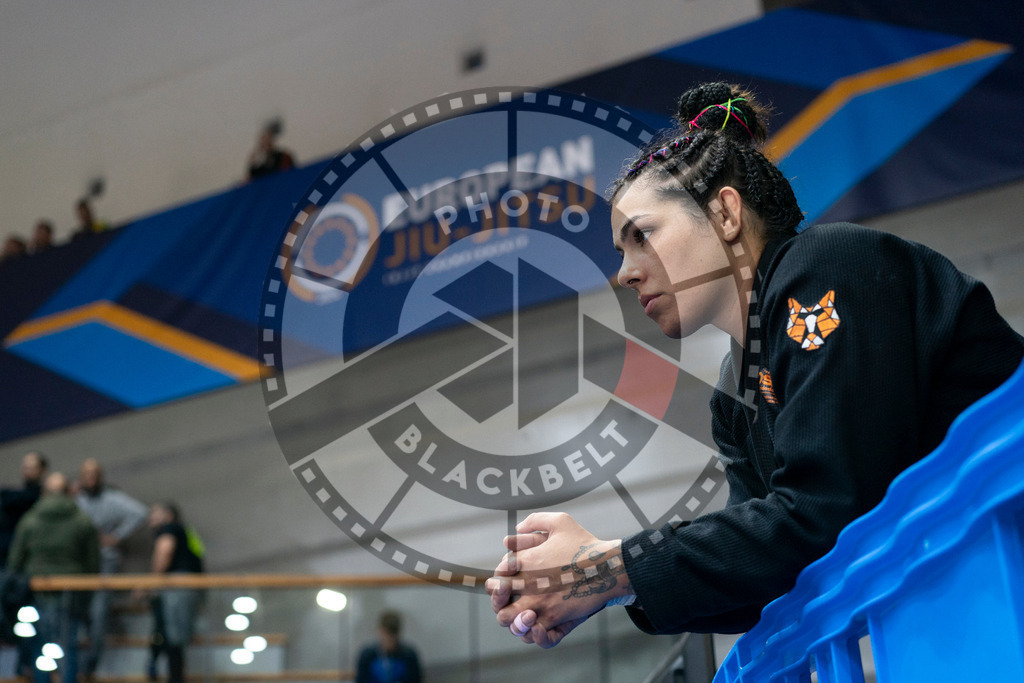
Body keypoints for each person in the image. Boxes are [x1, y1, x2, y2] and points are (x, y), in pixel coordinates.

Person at [487, 82, 1024, 648]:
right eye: (622, 253)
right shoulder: (733, 393)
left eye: (642, 236)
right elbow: (767, 567)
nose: (625, 272)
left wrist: (609, 565)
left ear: (724, 213)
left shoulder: (827, 265)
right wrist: (605, 584)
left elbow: (827, 513)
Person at [8, 472, 100, 683]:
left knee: (40, 645)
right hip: (72, 591)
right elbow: (92, 562)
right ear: (68, 492)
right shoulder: (82, 520)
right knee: (68, 645)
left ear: (44, 493)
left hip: (35, 590)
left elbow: (16, 560)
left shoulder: (30, 520)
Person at [74, 459, 149, 679]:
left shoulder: (111, 499)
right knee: (78, 616)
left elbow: (140, 513)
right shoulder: (76, 502)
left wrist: (116, 537)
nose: (91, 478)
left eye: (95, 474)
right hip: (79, 567)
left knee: (98, 615)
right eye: (87, 474)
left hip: (104, 563)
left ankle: (89, 667)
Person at [146, 502, 203, 683]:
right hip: (191, 588)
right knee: (176, 638)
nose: (151, 519)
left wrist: (151, 583)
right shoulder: (186, 531)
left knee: (172, 638)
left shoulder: (170, 529)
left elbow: (164, 552)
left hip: (178, 588)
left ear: (168, 515)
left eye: (155, 514)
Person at [0, 452, 48, 567]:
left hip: (35, 555)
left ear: (42, 471)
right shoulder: (12, 498)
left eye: (33, 468)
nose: (28, 472)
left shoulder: (44, 498)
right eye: (26, 468)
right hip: (7, 552)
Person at [355, 610, 422, 683]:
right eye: (386, 636)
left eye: (392, 637)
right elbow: (361, 679)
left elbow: (415, 679)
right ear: (379, 631)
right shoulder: (367, 655)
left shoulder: (409, 655)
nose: (388, 640)